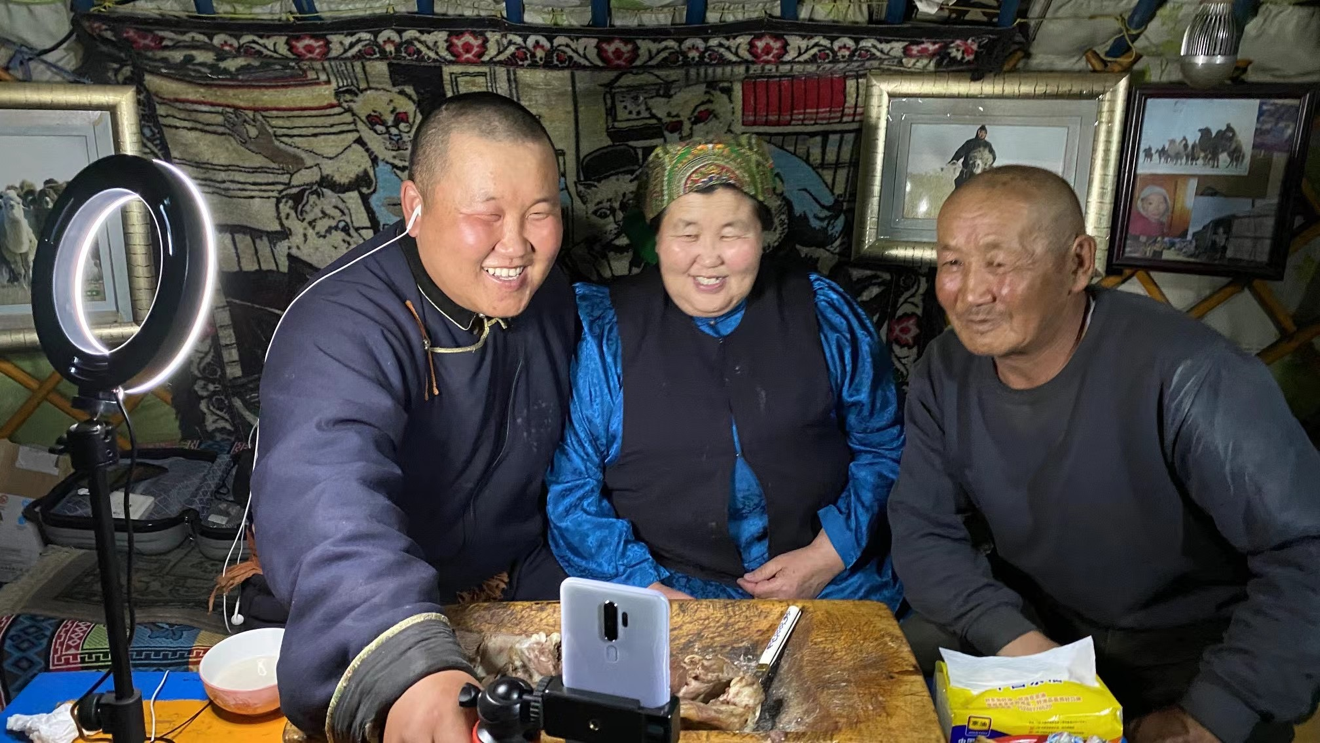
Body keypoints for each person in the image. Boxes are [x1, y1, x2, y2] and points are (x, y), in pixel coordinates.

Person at [888, 165, 1320, 743]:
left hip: (1194, 654)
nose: (970, 295)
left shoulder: (1190, 374)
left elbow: (1306, 549)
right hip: (1038, 627)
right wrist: (1024, 650)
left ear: (1077, 264)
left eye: (999, 263)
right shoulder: (945, 369)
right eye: (952, 264)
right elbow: (922, 526)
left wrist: (1212, 714)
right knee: (870, 683)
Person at [251, 93, 576, 743]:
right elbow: (326, 494)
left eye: (540, 213)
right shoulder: (339, 321)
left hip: (521, 576)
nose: (516, 245)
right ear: (414, 205)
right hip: (381, 602)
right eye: (486, 214)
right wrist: (407, 665)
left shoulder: (552, 294)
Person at [544, 135, 905, 607]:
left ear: (763, 235)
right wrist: (645, 589)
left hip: (832, 582)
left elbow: (883, 445)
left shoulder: (822, 313)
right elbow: (572, 491)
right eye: (687, 233)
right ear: (655, 239)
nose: (710, 256)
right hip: (669, 586)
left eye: (733, 233)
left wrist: (827, 555)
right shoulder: (604, 332)